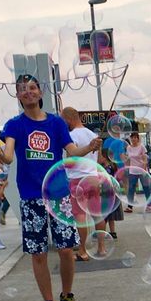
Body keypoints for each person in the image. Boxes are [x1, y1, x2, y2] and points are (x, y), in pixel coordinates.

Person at [0, 74, 99, 301]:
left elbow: (73, 151)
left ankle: (68, 295)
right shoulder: (14, 125)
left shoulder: (56, 124)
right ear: (17, 96)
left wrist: (90, 146)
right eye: (22, 89)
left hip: (58, 193)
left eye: (32, 88)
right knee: (37, 252)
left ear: (40, 93)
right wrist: (0, 153)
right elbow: (8, 156)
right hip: (30, 196)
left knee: (65, 249)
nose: (27, 92)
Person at [63, 107, 104, 262]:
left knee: (80, 215)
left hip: (77, 180)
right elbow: (99, 160)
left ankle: (82, 250)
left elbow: (71, 161)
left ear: (68, 119)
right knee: (97, 214)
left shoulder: (71, 135)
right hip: (93, 177)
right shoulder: (93, 135)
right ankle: (101, 247)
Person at [123, 131, 151, 212]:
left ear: (138, 138)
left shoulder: (141, 147)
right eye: (132, 137)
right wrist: (126, 168)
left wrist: (144, 170)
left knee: (146, 188)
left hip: (141, 170)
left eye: (135, 137)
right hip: (132, 170)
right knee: (131, 188)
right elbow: (128, 159)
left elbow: (145, 159)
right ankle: (130, 206)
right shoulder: (129, 148)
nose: (133, 139)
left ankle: (149, 205)